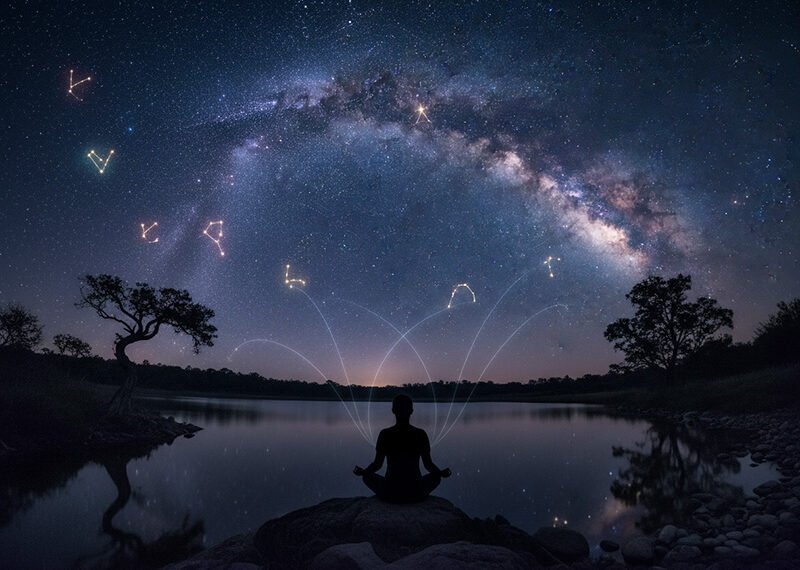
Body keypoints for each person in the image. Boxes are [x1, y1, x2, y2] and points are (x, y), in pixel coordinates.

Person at [353, 394, 451, 503]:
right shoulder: (420, 434)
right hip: (415, 491)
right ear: (411, 411)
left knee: (367, 477)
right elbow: (428, 465)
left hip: (390, 491)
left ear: (393, 410)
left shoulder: (385, 434)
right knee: (436, 477)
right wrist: (440, 473)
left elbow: (377, 464)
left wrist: (364, 472)